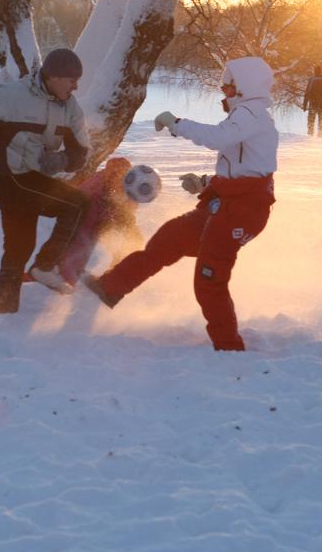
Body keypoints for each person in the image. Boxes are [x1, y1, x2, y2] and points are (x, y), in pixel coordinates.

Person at [83, 57, 279, 351]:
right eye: (223, 84)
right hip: (225, 203)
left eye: (229, 84)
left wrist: (176, 123)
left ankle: (228, 347)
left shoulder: (251, 113)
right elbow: (243, 166)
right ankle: (110, 287)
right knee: (170, 237)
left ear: (244, 87)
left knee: (209, 279)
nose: (223, 90)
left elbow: (218, 139)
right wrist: (205, 183)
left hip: (240, 212)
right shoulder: (247, 114)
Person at [0, 47, 91, 314]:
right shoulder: (14, 96)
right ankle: (44, 266)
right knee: (77, 205)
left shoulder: (71, 108)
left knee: (20, 241)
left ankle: (7, 306)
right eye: (71, 79)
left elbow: (82, 151)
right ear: (52, 76)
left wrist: (63, 160)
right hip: (9, 177)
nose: (75, 86)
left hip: (33, 178)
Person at [28, 156, 143, 287]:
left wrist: (124, 217)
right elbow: (85, 199)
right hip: (87, 217)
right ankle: (62, 277)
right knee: (79, 245)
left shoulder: (125, 185)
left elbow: (128, 209)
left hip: (104, 216)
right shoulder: (99, 183)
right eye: (116, 173)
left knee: (132, 240)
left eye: (122, 173)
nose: (119, 176)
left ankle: (112, 275)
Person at [301, 65, 322, 137]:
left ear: (315, 71)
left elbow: (307, 92)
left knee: (311, 120)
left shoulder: (311, 79)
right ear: (321, 71)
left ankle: (310, 135)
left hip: (313, 103)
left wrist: (304, 104)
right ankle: (321, 136)